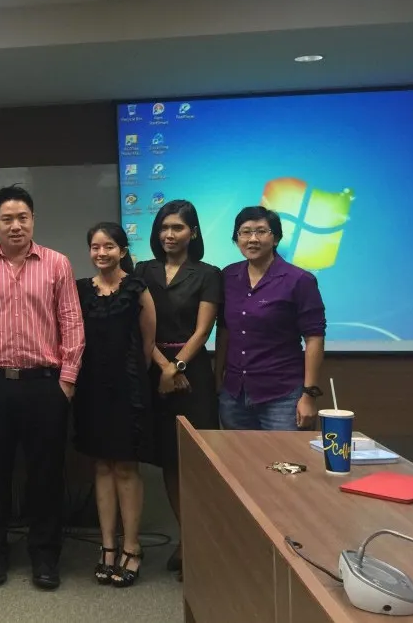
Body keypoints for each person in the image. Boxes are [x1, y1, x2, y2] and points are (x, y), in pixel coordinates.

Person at [0, 184, 85, 590]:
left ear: (33, 219)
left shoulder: (57, 263)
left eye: (23, 218)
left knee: (45, 475)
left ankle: (45, 555)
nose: (15, 226)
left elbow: (72, 323)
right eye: (7, 219)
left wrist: (67, 381)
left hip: (44, 386)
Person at [135, 200, 221, 580]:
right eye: (164, 228)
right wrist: (163, 368)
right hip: (155, 371)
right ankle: (187, 539)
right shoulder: (143, 270)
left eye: (177, 228)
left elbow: (203, 331)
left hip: (193, 374)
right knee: (169, 460)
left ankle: (200, 541)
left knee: (196, 462)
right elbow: (139, 325)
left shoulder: (208, 273)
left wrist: (177, 367)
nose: (169, 235)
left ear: (193, 232)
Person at [73, 223, 157, 588]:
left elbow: (148, 345)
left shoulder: (137, 289)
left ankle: (132, 547)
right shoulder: (80, 290)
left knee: (125, 466)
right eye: (95, 247)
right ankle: (107, 546)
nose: (101, 253)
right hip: (91, 387)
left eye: (108, 246)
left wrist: (131, 379)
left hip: (128, 389)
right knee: (101, 466)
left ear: (122, 251)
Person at [215, 206, 326, 431]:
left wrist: (309, 395)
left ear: (275, 238)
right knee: (237, 454)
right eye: (245, 232)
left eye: (261, 231)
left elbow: (314, 338)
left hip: (283, 396)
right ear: (236, 239)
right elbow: (224, 330)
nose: (252, 239)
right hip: (234, 394)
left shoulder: (299, 280)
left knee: (285, 455)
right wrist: (218, 380)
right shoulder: (228, 276)